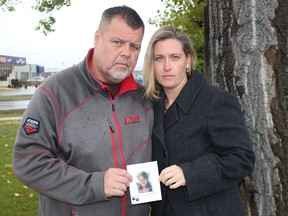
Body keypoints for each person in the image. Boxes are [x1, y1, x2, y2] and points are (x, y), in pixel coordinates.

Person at [12, 6, 154, 216]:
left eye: (134, 46)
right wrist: (95, 184)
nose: (126, 53)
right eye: (118, 42)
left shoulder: (146, 100)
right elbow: (27, 161)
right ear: (97, 39)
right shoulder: (55, 92)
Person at [143, 26, 255, 216]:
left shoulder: (216, 100)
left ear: (188, 60)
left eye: (175, 57)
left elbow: (241, 158)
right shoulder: (151, 106)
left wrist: (190, 173)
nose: (167, 66)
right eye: (159, 58)